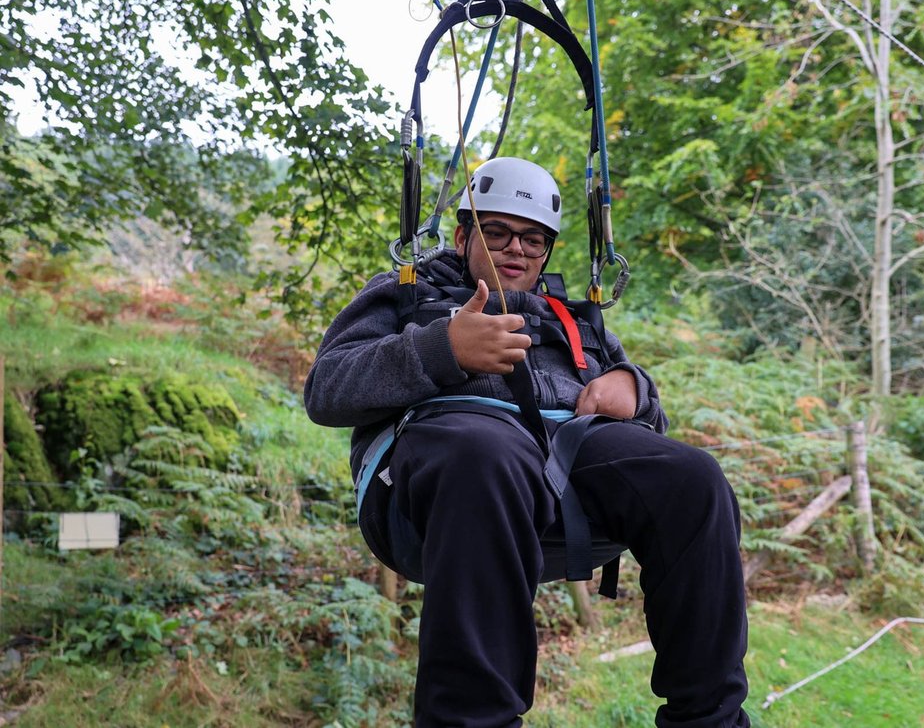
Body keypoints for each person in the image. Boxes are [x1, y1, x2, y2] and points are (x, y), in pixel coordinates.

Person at [304, 157, 750, 728]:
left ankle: (709, 720)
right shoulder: (408, 294)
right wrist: (442, 350)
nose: (516, 249)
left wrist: (633, 388)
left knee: (693, 480)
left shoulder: (572, 319)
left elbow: (647, 421)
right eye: (497, 232)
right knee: (486, 454)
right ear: (463, 235)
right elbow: (326, 388)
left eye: (534, 240)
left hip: (565, 465)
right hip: (446, 467)